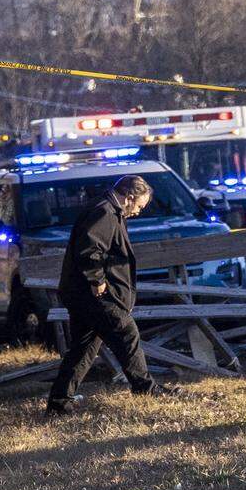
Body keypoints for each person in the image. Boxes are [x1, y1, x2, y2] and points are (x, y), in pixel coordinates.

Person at [47, 175, 176, 415]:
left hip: (81, 294)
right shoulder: (105, 212)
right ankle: (145, 387)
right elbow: (90, 248)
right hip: (94, 294)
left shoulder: (107, 209)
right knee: (127, 333)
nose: (138, 212)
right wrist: (97, 280)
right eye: (138, 206)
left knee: (83, 348)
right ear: (128, 198)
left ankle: (59, 402)